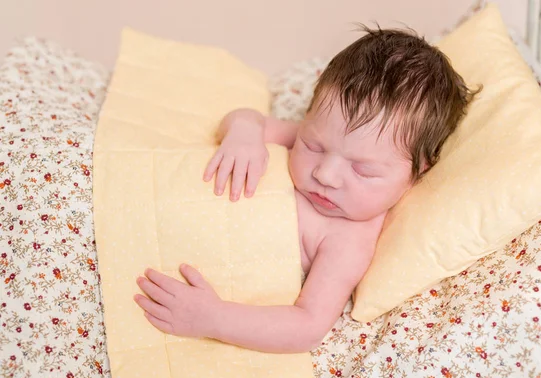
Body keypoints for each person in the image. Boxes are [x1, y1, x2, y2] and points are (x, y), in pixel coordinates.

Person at [133, 26, 477, 353]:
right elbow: (245, 118)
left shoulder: (349, 240)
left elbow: (307, 326)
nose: (326, 173)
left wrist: (213, 318)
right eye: (313, 146)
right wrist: (243, 134)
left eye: (362, 169)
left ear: (419, 171)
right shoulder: (319, 136)